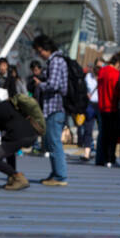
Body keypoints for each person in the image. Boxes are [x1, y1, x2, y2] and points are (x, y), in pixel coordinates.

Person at [31, 34, 70, 186]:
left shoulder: (55, 61)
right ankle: (56, 173)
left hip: (54, 107)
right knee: (52, 142)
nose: (39, 54)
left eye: (39, 50)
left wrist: (40, 84)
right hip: (55, 107)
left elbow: (54, 85)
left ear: (46, 48)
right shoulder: (58, 60)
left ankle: (60, 176)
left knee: (54, 143)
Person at [96, 51, 120, 166]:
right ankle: (110, 158)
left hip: (101, 107)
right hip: (112, 107)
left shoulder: (102, 71)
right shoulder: (116, 74)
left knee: (103, 134)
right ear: (117, 63)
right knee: (112, 136)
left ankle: (101, 158)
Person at [78, 63, 98, 159]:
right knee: (88, 129)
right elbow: (82, 89)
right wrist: (86, 94)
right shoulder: (87, 77)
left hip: (101, 105)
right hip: (90, 104)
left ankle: (100, 152)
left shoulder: (102, 77)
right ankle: (87, 153)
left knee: (103, 130)